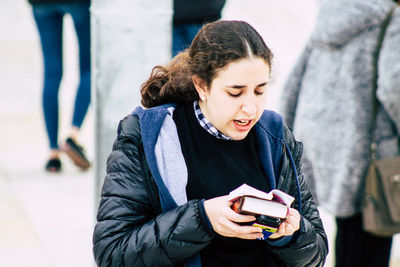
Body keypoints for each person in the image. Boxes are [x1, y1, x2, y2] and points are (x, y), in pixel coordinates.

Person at [93, 20, 328, 267]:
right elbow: (113, 252)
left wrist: (292, 235)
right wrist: (202, 219)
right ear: (201, 86)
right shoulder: (149, 136)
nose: (250, 108)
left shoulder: (274, 137)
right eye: (235, 92)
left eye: (259, 91)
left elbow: (318, 251)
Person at [279, 0, 400, 266]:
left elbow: (294, 80)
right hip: (366, 148)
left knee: (347, 229)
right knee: (372, 233)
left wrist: (286, 132)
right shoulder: (392, 17)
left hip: (319, 139)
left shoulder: (333, 10)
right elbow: (394, 88)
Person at [28, 0, 91, 172]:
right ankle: (72, 135)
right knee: (89, 68)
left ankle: (53, 154)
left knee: (51, 73)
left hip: (42, 4)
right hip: (78, 3)